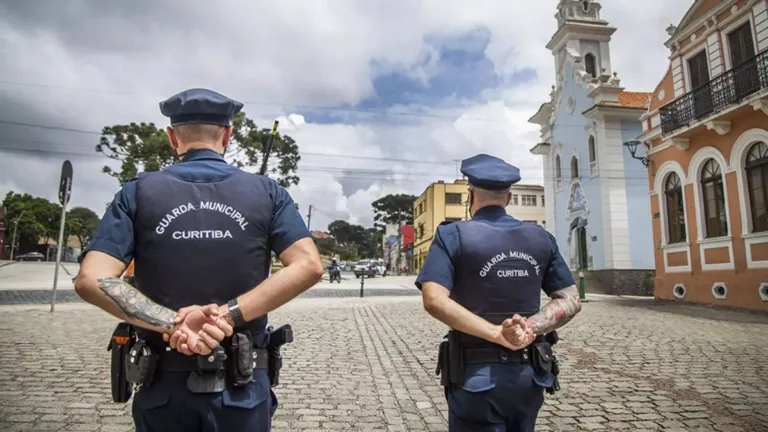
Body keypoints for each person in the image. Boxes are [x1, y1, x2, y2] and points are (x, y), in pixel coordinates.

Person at [74, 88, 324, 432]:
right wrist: (227, 315)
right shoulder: (268, 192)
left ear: (172, 136)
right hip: (242, 389)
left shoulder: (137, 193)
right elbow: (308, 265)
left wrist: (172, 324)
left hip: (163, 389)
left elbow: (92, 279)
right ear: (228, 135)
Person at [417, 153, 582, 431]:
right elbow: (571, 299)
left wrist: (496, 333)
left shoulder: (452, 235)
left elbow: (433, 299)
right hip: (529, 378)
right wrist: (528, 328)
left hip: (475, 379)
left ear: (471, 196)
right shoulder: (541, 237)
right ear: (508, 198)